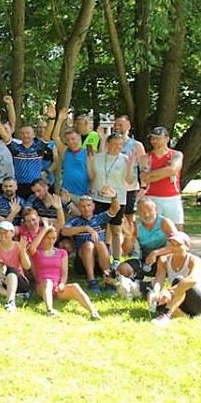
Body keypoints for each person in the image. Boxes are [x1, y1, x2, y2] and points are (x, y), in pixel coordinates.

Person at [28, 225, 101, 319]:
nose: (51, 241)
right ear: (43, 238)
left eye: (54, 238)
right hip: (42, 286)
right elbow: (31, 248)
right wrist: (45, 229)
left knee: (75, 286)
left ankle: (93, 312)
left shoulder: (62, 252)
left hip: (57, 288)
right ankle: (50, 310)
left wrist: (62, 284)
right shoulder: (37, 252)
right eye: (48, 238)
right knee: (48, 282)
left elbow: (64, 272)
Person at [88, 132, 135, 260]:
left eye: (120, 145)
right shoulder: (98, 157)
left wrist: (130, 166)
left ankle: (116, 259)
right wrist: (89, 162)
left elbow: (130, 180)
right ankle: (98, 258)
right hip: (98, 198)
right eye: (114, 144)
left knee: (116, 230)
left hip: (117, 200)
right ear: (108, 144)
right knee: (98, 229)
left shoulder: (125, 159)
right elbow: (92, 176)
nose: (117, 147)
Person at [61, 191, 120, 294]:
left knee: (100, 243)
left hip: (101, 260)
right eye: (83, 206)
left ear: (93, 206)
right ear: (79, 208)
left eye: (88, 205)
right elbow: (64, 231)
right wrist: (85, 228)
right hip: (83, 262)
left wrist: (114, 197)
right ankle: (91, 281)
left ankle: (109, 279)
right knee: (89, 245)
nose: (86, 208)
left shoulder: (100, 218)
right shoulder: (74, 221)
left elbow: (115, 209)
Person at [149, 232, 201, 326]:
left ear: (187, 247)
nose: (174, 248)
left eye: (178, 245)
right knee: (158, 303)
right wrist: (155, 292)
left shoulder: (194, 260)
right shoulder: (163, 260)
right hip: (182, 300)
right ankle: (184, 315)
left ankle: (166, 315)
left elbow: (192, 279)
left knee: (179, 281)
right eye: (172, 244)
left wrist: (170, 292)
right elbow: (159, 278)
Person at [0, 221, 32, 312]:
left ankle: (10, 301)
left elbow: (27, 266)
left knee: (10, 269)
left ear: (12, 233)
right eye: (0, 233)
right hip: (1, 280)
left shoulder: (19, 246)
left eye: (5, 232)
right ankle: (14, 296)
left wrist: (23, 251)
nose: (2, 235)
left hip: (17, 280)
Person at [140, 126, 184, 230]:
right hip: (152, 197)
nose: (154, 141)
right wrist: (166, 171)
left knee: (177, 228)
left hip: (172, 196)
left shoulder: (176, 155)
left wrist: (151, 173)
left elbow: (173, 170)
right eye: (152, 138)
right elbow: (144, 178)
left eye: (157, 138)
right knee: (153, 228)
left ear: (167, 139)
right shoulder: (146, 157)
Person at [0, 178, 26, 242]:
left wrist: (13, 213)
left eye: (10, 186)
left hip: (15, 227)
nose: (8, 188)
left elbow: (28, 215)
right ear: (2, 187)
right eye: (5, 186)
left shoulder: (21, 201)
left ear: (16, 187)